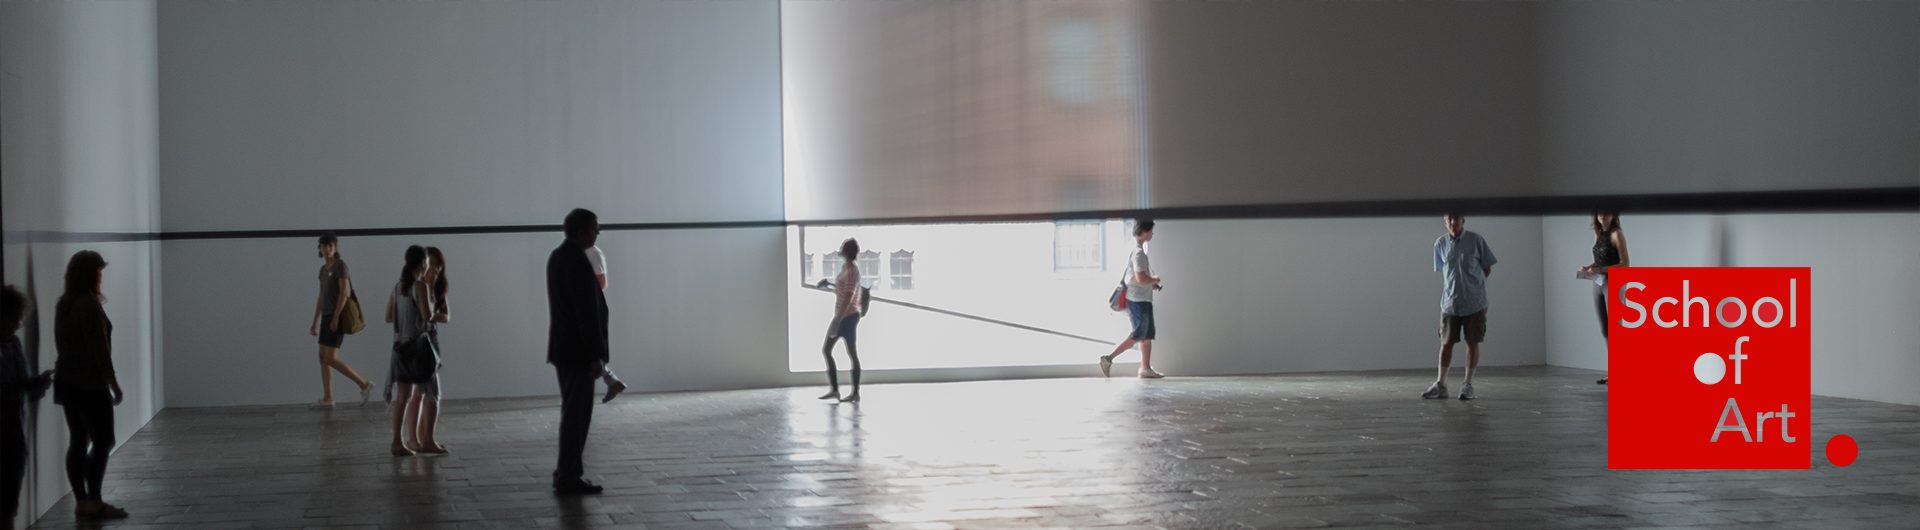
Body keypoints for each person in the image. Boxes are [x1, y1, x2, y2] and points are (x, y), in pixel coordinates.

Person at [52, 251, 127, 519]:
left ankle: (82, 501)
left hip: (67, 381)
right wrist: (114, 383)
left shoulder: (65, 304)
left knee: (78, 439)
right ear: (89, 274)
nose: (101, 275)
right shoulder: (88, 304)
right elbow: (99, 349)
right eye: (98, 270)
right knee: (104, 439)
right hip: (89, 383)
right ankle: (94, 501)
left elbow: (62, 345)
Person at [547, 209, 609, 495]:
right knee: (577, 416)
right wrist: (595, 356)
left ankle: (566, 472)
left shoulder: (559, 257)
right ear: (582, 231)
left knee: (572, 413)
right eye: (595, 229)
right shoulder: (576, 261)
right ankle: (569, 476)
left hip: (565, 349)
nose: (598, 233)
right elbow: (586, 314)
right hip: (578, 353)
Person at [1424, 213, 1497, 401]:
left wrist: (1474, 287)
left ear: (1463, 221)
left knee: (1472, 342)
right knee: (1445, 343)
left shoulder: (1476, 240)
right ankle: (1441, 384)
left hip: (1475, 302)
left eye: (1456, 218)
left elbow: (1487, 267)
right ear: (1444, 222)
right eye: (1448, 219)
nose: (1452, 223)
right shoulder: (1440, 244)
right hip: (1450, 303)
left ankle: (1468, 385)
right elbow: (1444, 270)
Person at [1, 286, 53, 530]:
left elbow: (22, 383)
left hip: (14, 431)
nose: (17, 325)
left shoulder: (13, 344)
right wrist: (27, 385)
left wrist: (36, 385)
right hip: (7, 429)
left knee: (9, 500)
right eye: (13, 319)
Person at [310, 232, 373, 409]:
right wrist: (315, 320)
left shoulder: (340, 266)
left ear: (335, 248)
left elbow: (343, 293)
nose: (328, 249)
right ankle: (328, 398)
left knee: (330, 358)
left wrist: (335, 318)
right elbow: (321, 296)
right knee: (322, 357)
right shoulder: (323, 270)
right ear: (320, 248)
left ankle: (364, 385)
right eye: (324, 246)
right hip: (326, 316)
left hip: (335, 316)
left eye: (331, 246)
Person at [385, 246, 437, 456]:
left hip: (400, 347)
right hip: (418, 347)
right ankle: (427, 440)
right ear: (423, 263)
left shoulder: (397, 287)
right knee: (432, 392)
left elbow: (388, 317)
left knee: (403, 396)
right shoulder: (420, 286)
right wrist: (435, 312)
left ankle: (397, 442)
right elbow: (426, 316)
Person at [1100, 219, 1165, 379]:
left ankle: (1145, 368)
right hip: (1137, 300)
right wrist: (1154, 280)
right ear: (1142, 231)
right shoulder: (1138, 253)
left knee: (1147, 334)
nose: (1152, 234)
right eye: (1150, 231)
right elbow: (1140, 278)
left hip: (1142, 298)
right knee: (1138, 334)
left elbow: (1137, 279)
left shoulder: (1138, 252)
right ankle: (1108, 359)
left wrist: (1152, 285)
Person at [1583, 212, 1629, 385]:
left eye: (1607, 212)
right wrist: (1589, 267)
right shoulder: (1599, 233)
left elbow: (1625, 263)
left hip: (1614, 283)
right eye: (1600, 213)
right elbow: (1598, 259)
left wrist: (1600, 268)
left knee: (1616, 330)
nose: (1603, 216)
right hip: (1598, 283)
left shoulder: (1617, 234)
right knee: (1605, 329)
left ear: (1613, 215)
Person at [413, 247, 451, 452]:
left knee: (426, 393)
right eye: (432, 264)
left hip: (431, 343)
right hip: (419, 344)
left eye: (438, 265)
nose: (434, 269)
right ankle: (423, 439)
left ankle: (422, 437)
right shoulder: (417, 287)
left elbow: (445, 317)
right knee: (426, 394)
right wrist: (427, 314)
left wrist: (428, 313)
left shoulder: (437, 290)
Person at [818, 238, 865, 403]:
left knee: (851, 353)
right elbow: (842, 290)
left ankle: (855, 393)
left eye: (843, 248)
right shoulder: (846, 269)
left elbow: (848, 296)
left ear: (847, 251)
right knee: (828, 350)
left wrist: (837, 321)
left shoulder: (853, 270)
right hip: (842, 316)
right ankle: (836, 390)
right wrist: (829, 285)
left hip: (848, 317)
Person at [584, 244, 627, 403]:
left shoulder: (593, 252)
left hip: (591, 306)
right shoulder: (580, 252)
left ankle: (612, 381)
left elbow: (601, 282)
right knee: (583, 350)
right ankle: (612, 381)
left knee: (587, 349)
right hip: (585, 306)